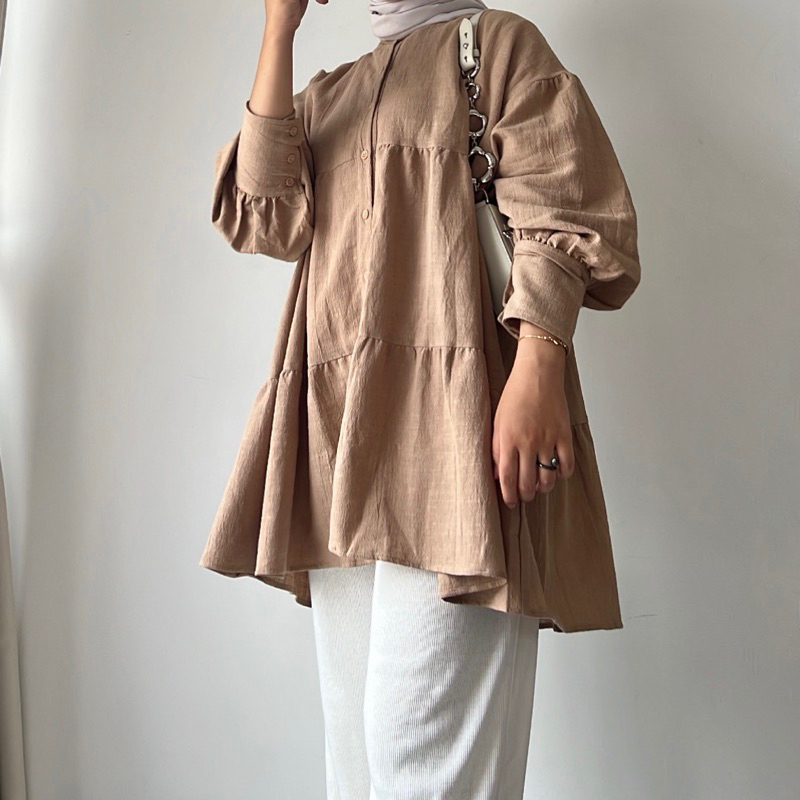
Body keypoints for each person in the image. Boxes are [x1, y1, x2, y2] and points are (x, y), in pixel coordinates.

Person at [199, 0, 641, 795]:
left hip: (459, 435)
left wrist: (537, 367)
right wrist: (278, 26)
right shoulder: (332, 94)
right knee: (356, 760)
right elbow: (262, 214)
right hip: (340, 446)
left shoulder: (496, 46)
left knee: (421, 752)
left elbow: (568, 208)